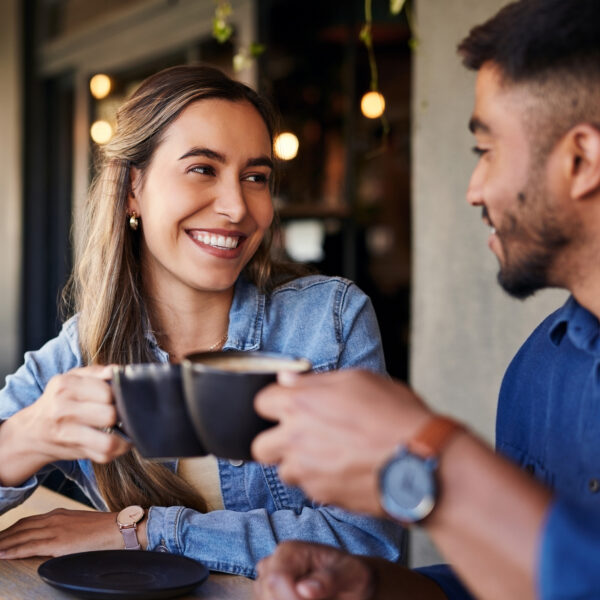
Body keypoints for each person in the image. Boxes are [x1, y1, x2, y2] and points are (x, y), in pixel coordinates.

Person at [251, 0, 600, 598]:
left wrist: (428, 458)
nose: (474, 189)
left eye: (485, 150)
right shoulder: (537, 371)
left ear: (581, 160)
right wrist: (380, 586)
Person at [0, 65, 405, 576]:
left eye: (255, 177)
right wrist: (19, 440)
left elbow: (368, 540)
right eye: (202, 169)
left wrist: (144, 532)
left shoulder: (328, 320)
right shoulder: (82, 350)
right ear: (132, 189)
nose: (237, 207)